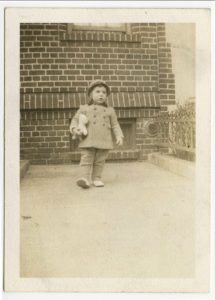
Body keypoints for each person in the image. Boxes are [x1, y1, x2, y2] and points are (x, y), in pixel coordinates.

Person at [70, 80, 124, 189]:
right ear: (91, 94)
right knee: (86, 159)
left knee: (100, 160)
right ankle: (84, 178)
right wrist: (74, 128)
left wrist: (119, 135)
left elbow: (115, 125)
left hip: (104, 139)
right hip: (88, 139)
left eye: (104, 92)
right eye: (97, 91)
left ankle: (97, 178)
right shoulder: (84, 108)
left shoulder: (110, 110)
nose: (101, 94)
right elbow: (75, 120)